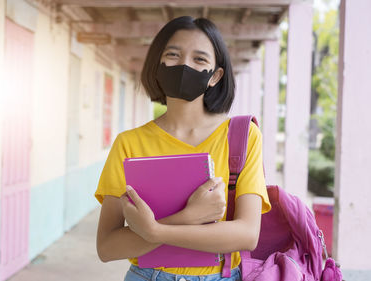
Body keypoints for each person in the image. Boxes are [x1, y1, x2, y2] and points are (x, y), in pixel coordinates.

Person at [95, 16, 271, 281]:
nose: (185, 65)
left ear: (216, 76)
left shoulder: (242, 136)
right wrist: (189, 216)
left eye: (199, 59)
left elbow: (247, 235)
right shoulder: (129, 143)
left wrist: (155, 232)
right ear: (158, 64)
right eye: (173, 55)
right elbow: (107, 247)